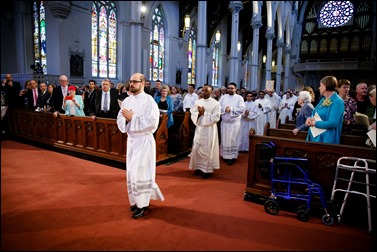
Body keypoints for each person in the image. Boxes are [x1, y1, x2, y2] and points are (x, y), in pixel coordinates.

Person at [116, 72, 165, 219]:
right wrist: (126, 120)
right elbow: (119, 119)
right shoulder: (126, 101)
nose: (131, 84)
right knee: (131, 173)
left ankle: (143, 204)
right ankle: (135, 201)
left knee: (140, 173)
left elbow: (152, 122)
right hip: (132, 141)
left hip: (144, 141)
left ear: (142, 83)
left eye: (135, 82)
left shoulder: (149, 101)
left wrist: (133, 118)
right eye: (130, 81)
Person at [188, 84, 221, 179]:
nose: (203, 92)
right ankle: (198, 167)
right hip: (200, 128)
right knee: (197, 148)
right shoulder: (198, 102)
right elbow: (193, 114)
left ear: (211, 92)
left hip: (210, 129)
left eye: (206, 91)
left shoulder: (216, 103)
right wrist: (198, 114)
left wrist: (204, 113)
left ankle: (206, 170)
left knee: (207, 149)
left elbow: (216, 117)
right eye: (203, 90)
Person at [306, 76, 344, 144]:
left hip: (326, 138)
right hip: (315, 136)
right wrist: (310, 118)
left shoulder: (338, 101)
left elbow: (333, 123)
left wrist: (315, 123)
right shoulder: (323, 99)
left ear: (326, 86)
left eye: (320, 85)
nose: (319, 88)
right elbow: (315, 112)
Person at [219, 82, 245, 165]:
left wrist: (231, 109)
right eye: (229, 88)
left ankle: (232, 157)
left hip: (234, 123)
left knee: (233, 139)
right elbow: (218, 107)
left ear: (235, 89)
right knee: (224, 139)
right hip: (225, 123)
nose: (230, 89)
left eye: (232, 88)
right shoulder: (223, 97)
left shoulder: (239, 98)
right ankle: (225, 155)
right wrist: (224, 109)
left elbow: (242, 109)